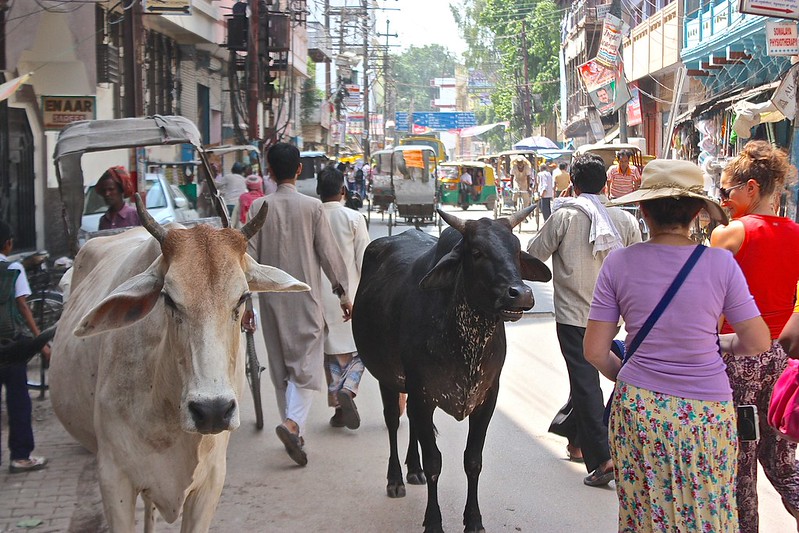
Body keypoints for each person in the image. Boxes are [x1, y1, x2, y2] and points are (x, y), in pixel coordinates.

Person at [584, 158, 771, 531]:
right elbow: (757, 340)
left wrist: (627, 373)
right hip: (707, 415)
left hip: (639, 409)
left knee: (646, 515)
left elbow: (593, 350)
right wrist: (719, 344)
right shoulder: (720, 264)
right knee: (707, 513)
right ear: (698, 211)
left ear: (643, 209)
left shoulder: (619, 264)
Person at [527, 154, 641, 487]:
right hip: (614, 317)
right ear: (606, 184)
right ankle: (573, 436)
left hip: (574, 316)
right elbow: (639, 261)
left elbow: (533, 256)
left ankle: (603, 458)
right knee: (585, 378)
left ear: (572, 185)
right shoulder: (624, 219)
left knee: (585, 382)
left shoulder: (564, 216)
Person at [710, 140, 799, 532]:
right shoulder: (796, 234)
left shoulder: (728, 235)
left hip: (737, 357)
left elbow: (710, 308)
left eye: (727, 191)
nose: (723, 200)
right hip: (782, 359)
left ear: (751, 188)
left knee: (739, 468)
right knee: (783, 462)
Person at [247, 143, 352, 467]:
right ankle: (293, 425)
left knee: (281, 369)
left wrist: (245, 304)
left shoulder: (258, 208)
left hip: (271, 301)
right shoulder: (313, 208)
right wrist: (343, 293)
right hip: (305, 297)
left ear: (269, 170)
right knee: (305, 369)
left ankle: (294, 429)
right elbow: (329, 255)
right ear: (298, 170)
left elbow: (246, 261)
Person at [317, 166, 370, 430]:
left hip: (320, 295)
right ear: (343, 191)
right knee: (358, 352)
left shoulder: (312, 217)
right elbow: (364, 259)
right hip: (352, 295)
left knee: (331, 355)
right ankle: (348, 389)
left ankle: (338, 409)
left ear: (318, 192)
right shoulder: (354, 218)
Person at [0, 221, 50, 473]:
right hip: (13, 348)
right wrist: (40, 342)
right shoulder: (14, 268)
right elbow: (22, 306)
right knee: (18, 400)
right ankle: (20, 457)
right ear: (8, 243)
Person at [96, 166, 140, 230]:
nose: (107, 194)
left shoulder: (135, 215)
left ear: (121, 189)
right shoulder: (103, 220)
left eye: (111, 189)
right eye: (104, 190)